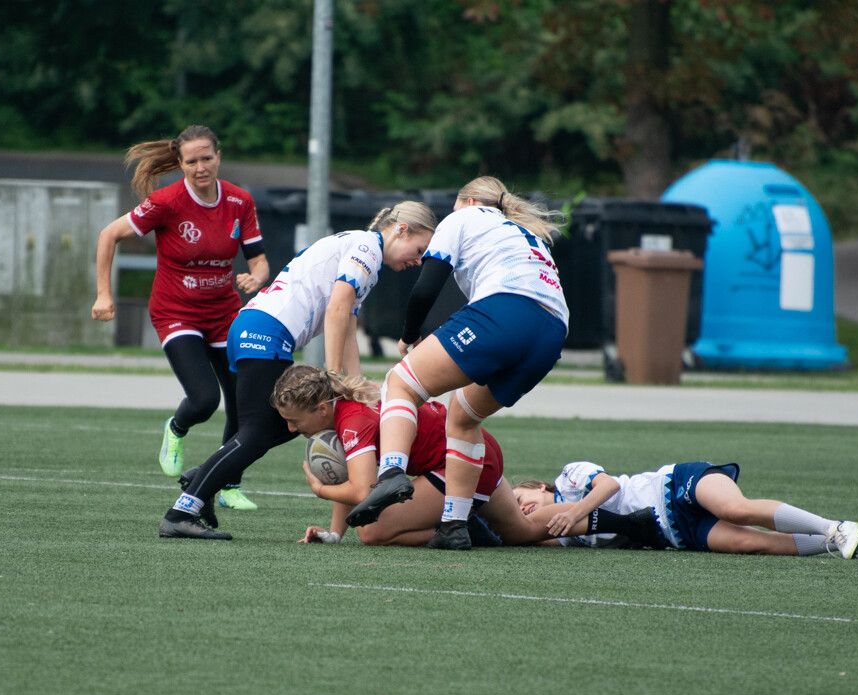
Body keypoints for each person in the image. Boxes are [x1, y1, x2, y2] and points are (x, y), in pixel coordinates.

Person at [158, 201, 439, 539]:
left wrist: (357, 385)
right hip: (266, 330)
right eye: (421, 249)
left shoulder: (367, 253)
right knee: (264, 431)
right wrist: (335, 378)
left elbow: (348, 323)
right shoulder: (368, 247)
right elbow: (336, 308)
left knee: (289, 424)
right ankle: (180, 512)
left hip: (255, 325)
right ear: (401, 230)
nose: (419, 260)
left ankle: (205, 477)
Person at [345, 177, 570, 551]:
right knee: (463, 419)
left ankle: (391, 473)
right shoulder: (522, 233)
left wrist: (408, 335)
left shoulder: (464, 218)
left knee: (400, 383)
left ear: (466, 200)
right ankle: (453, 525)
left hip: (509, 309)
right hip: (553, 332)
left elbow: (426, 288)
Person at [272, 365, 660, 548]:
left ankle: (466, 523)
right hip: (478, 451)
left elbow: (360, 492)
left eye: (293, 420)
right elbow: (355, 484)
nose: (290, 430)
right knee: (521, 534)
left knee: (373, 532)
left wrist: (322, 492)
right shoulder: (346, 410)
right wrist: (334, 534)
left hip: (459, 462)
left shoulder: (353, 421)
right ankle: (628, 523)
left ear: (322, 408)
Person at [91, 125, 268, 511]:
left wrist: (256, 277)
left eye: (207, 158)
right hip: (177, 312)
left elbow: (258, 259)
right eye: (192, 161)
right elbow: (109, 235)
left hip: (224, 313)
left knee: (244, 402)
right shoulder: (166, 202)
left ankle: (229, 484)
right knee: (205, 399)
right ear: (181, 164)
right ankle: (176, 428)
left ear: (218, 157)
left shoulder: (239, 201)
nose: (201, 166)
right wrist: (104, 293)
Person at [513, 461, 858, 558]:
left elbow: (609, 485)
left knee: (737, 509)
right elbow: (520, 538)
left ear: (535, 486)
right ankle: (853, 541)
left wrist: (575, 510)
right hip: (674, 532)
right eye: (518, 510)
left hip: (675, 486)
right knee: (752, 545)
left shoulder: (568, 477)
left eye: (519, 498)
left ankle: (835, 527)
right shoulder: (560, 535)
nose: (523, 508)